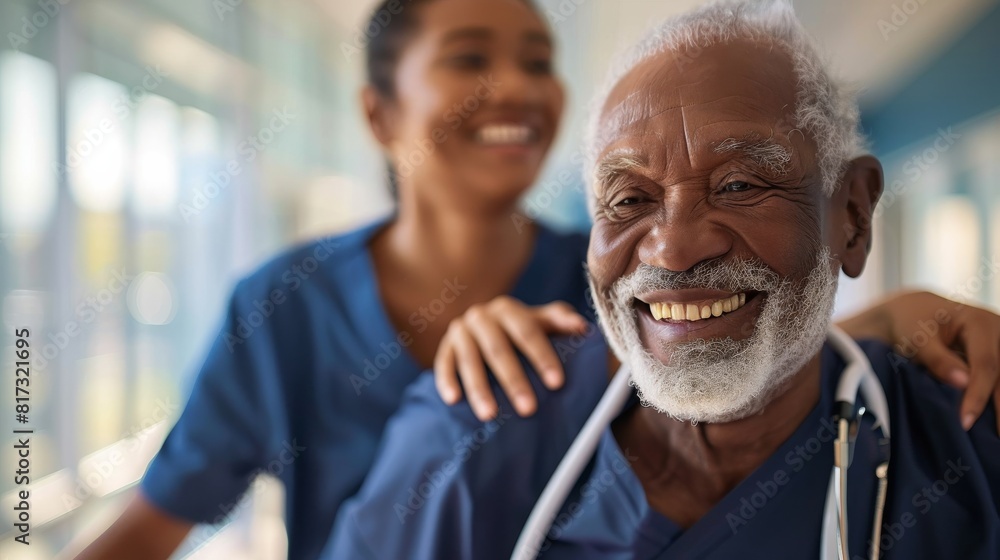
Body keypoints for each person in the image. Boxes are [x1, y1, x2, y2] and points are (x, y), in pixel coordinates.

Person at [321, 2, 1000, 559]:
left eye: (738, 184)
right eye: (629, 199)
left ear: (852, 215)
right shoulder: (465, 437)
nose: (673, 249)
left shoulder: (968, 435)